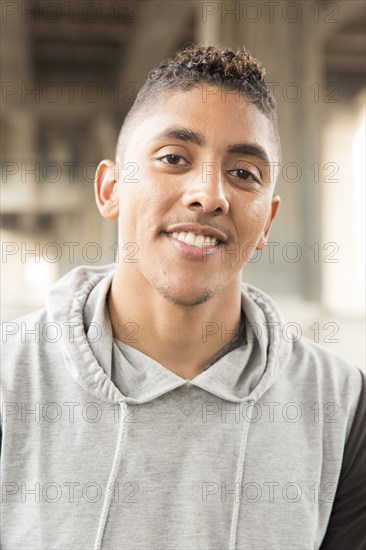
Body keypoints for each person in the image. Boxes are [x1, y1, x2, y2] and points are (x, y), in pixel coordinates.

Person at [1, 44, 365, 550]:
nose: (209, 193)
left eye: (244, 174)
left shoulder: (341, 404)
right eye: (173, 158)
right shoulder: (10, 376)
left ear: (268, 223)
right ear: (110, 189)